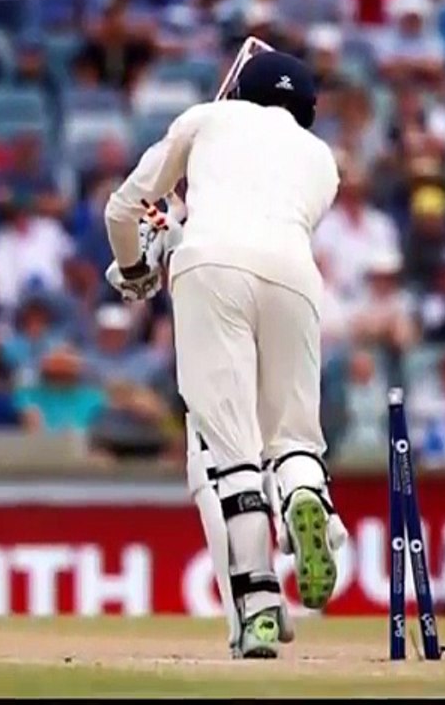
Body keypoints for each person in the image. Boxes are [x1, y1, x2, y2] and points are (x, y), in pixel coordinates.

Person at [100, 49, 349, 659]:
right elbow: (254, 213)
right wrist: (178, 227)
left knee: (230, 454)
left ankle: (261, 612)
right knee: (293, 439)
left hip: (210, 268)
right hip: (295, 276)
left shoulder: (207, 119)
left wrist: (136, 269)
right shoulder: (323, 161)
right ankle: (305, 500)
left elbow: (121, 209)